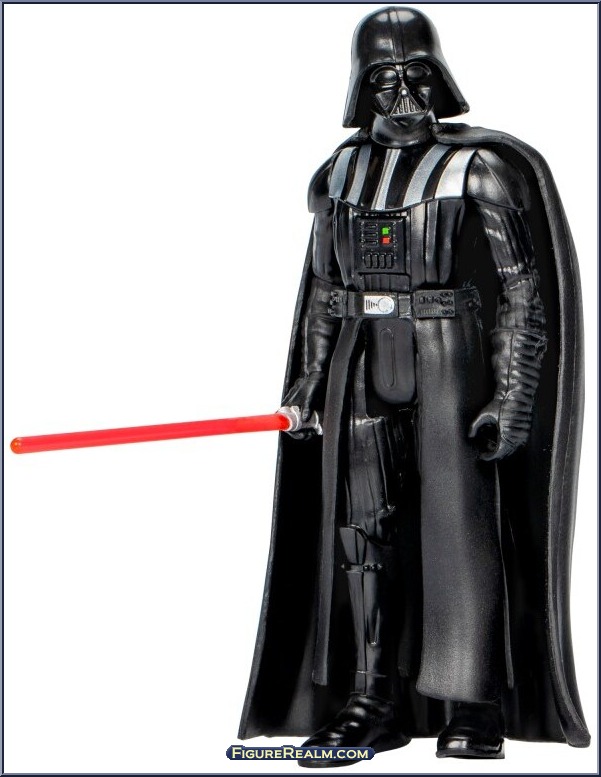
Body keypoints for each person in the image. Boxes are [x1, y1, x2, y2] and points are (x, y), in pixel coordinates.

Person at [238, 6, 589, 765]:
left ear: (440, 79)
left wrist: (513, 395)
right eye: (385, 80)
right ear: (360, 87)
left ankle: (472, 702)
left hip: (448, 356)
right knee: (363, 534)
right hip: (361, 362)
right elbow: (324, 289)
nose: (404, 97)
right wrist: (309, 380)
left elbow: (521, 291)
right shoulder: (338, 174)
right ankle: (373, 699)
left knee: (459, 533)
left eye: (417, 77)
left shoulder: (479, 168)